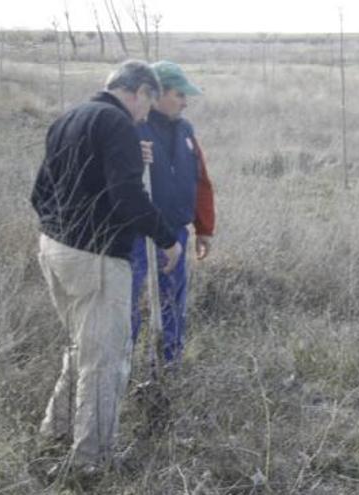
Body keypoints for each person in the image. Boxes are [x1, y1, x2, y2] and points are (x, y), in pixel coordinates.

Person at [30, 60, 182, 482]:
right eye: (147, 104)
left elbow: (39, 190)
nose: (146, 114)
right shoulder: (117, 124)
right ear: (138, 91)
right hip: (95, 258)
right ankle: (90, 463)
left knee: (81, 349)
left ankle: (54, 433)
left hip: (55, 249)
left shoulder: (71, 117)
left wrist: (61, 228)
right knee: (106, 361)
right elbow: (127, 197)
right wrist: (166, 238)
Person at [130, 60, 216, 365]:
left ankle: (167, 367)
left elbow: (200, 177)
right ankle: (122, 368)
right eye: (179, 94)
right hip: (137, 232)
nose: (184, 101)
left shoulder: (186, 130)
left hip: (176, 231)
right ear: (157, 94)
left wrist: (203, 227)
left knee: (172, 299)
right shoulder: (134, 125)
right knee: (128, 299)